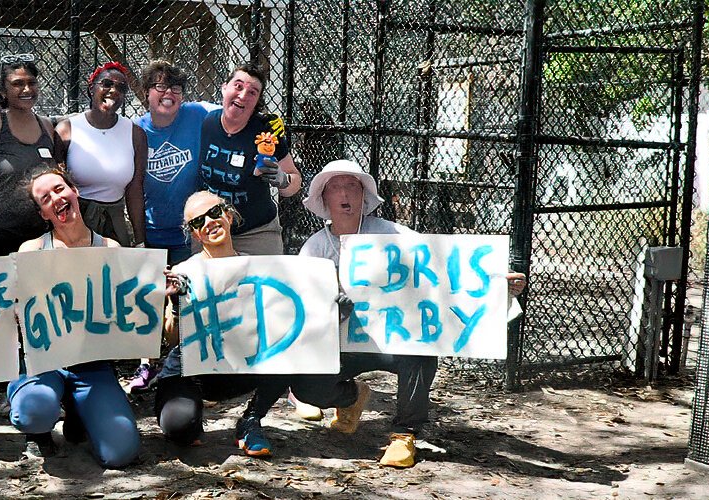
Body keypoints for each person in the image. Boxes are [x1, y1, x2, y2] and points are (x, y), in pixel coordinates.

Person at [298, 160, 528, 468]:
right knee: (306, 386)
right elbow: (304, 305)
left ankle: (404, 433)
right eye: (336, 187)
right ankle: (351, 399)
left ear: (364, 196)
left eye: (352, 186)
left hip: (392, 342)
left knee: (421, 351)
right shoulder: (314, 248)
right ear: (324, 199)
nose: (345, 193)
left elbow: (443, 267)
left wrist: (496, 283)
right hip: (340, 345)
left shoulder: (393, 234)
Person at [156, 191, 370, 458]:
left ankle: (250, 421)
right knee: (179, 429)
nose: (209, 223)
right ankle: (189, 416)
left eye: (214, 213)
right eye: (198, 222)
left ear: (229, 216)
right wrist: (177, 305)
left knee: (286, 346)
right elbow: (173, 340)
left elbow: (293, 323)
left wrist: (332, 311)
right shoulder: (184, 271)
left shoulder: (262, 268)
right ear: (195, 234)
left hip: (242, 368)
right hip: (192, 373)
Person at [4, 168, 142, 468]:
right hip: (45, 362)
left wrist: (156, 290)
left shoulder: (109, 248)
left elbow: (126, 307)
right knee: (32, 413)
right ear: (43, 213)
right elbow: (17, 310)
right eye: (45, 198)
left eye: (59, 189)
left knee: (121, 453)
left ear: (74, 191)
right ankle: (39, 430)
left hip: (92, 366)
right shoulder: (33, 250)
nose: (55, 198)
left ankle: (81, 414)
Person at [196, 64, 303, 256]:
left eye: (252, 92)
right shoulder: (207, 123)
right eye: (238, 86)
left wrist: (282, 180)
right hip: (211, 226)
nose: (243, 95)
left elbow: (294, 182)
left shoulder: (267, 132)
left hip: (255, 232)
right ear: (224, 88)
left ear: (257, 102)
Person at [134, 60, 221, 266]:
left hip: (194, 232)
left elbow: (232, 112)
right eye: (160, 86)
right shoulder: (136, 131)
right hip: (152, 234)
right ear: (147, 92)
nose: (169, 94)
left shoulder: (198, 113)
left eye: (176, 89)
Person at [56, 61, 148, 247]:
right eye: (106, 84)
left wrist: (140, 241)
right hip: (77, 221)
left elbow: (135, 190)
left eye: (121, 87)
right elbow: (57, 187)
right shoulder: (68, 130)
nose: (113, 90)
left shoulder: (135, 134)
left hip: (115, 224)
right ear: (92, 89)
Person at [0, 55, 58, 254]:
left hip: (37, 236)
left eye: (32, 83)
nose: (27, 89)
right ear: (3, 90)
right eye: (18, 84)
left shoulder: (46, 127)